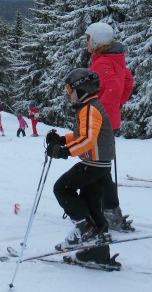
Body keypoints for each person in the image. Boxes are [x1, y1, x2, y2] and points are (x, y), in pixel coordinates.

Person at [46, 68, 119, 269]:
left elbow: (87, 140)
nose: (69, 93)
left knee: (61, 188)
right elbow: (81, 134)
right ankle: (97, 254)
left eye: (70, 89)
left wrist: (63, 151)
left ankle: (85, 229)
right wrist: (61, 139)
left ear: (82, 89)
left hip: (93, 164)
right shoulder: (90, 107)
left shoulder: (89, 109)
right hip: (100, 165)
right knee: (93, 206)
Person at [84, 21, 135, 232]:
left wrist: (97, 113)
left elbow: (113, 88)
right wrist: (118, 106)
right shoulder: (114, 60)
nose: (86, 42)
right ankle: (105, 210)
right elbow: (128, 80)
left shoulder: (103, 63)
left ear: (96, 41)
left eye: (88, 38)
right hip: (108, 120)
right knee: (99, 168)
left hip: (101, 123)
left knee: (95, 169)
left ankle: (106, 212)